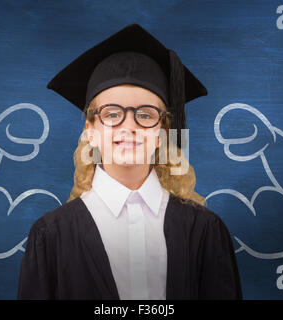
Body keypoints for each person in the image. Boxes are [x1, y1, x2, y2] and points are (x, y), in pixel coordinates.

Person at [17, 24, 242, 300]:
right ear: (91, 131)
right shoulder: (51, 236)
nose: (129, 126)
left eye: (146, 115)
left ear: (162, 134)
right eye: (112, 114)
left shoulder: (204, 231)